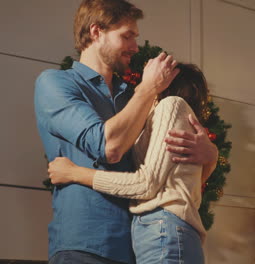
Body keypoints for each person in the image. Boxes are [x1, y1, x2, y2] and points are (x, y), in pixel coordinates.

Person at [34, 0, 218, 263]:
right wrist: (148, 89)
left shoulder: (133, 97)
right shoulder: (56, 83)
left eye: (136, 37)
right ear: (96, 32)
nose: (135, 47)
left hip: (138, 245)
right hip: (85, 242)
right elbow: (109, 147)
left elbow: (165, 177)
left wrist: (209, 155)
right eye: (126, 36)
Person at [48, 63, 210, 264]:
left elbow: (147, 184)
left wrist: (75, 173)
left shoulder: (171, 105)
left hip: (163, 227)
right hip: (159, 229)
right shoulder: (162, 115)